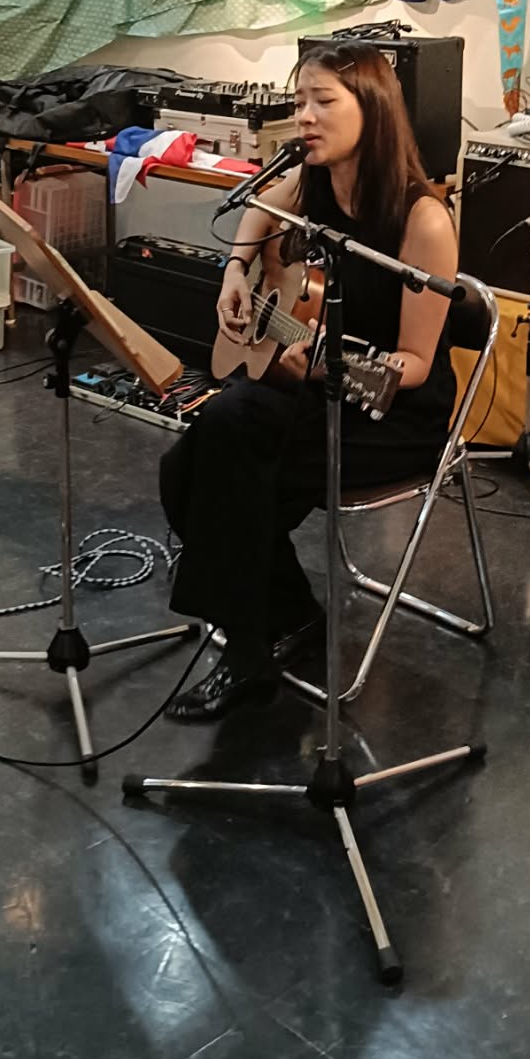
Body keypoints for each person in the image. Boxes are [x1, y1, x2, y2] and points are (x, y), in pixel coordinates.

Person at [159, 42, 459, 721]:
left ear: (373, 110)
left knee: (228, 459)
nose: (305, 118)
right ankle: (289, 614)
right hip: (314, 393)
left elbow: (414, 362)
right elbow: (255, 210)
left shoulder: (422, 219)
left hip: (392, 415)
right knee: (185, 470)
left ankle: (248, 652)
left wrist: (332, 367)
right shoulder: (311, 182)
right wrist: (236, 273)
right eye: (300, 103)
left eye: (324, 101)